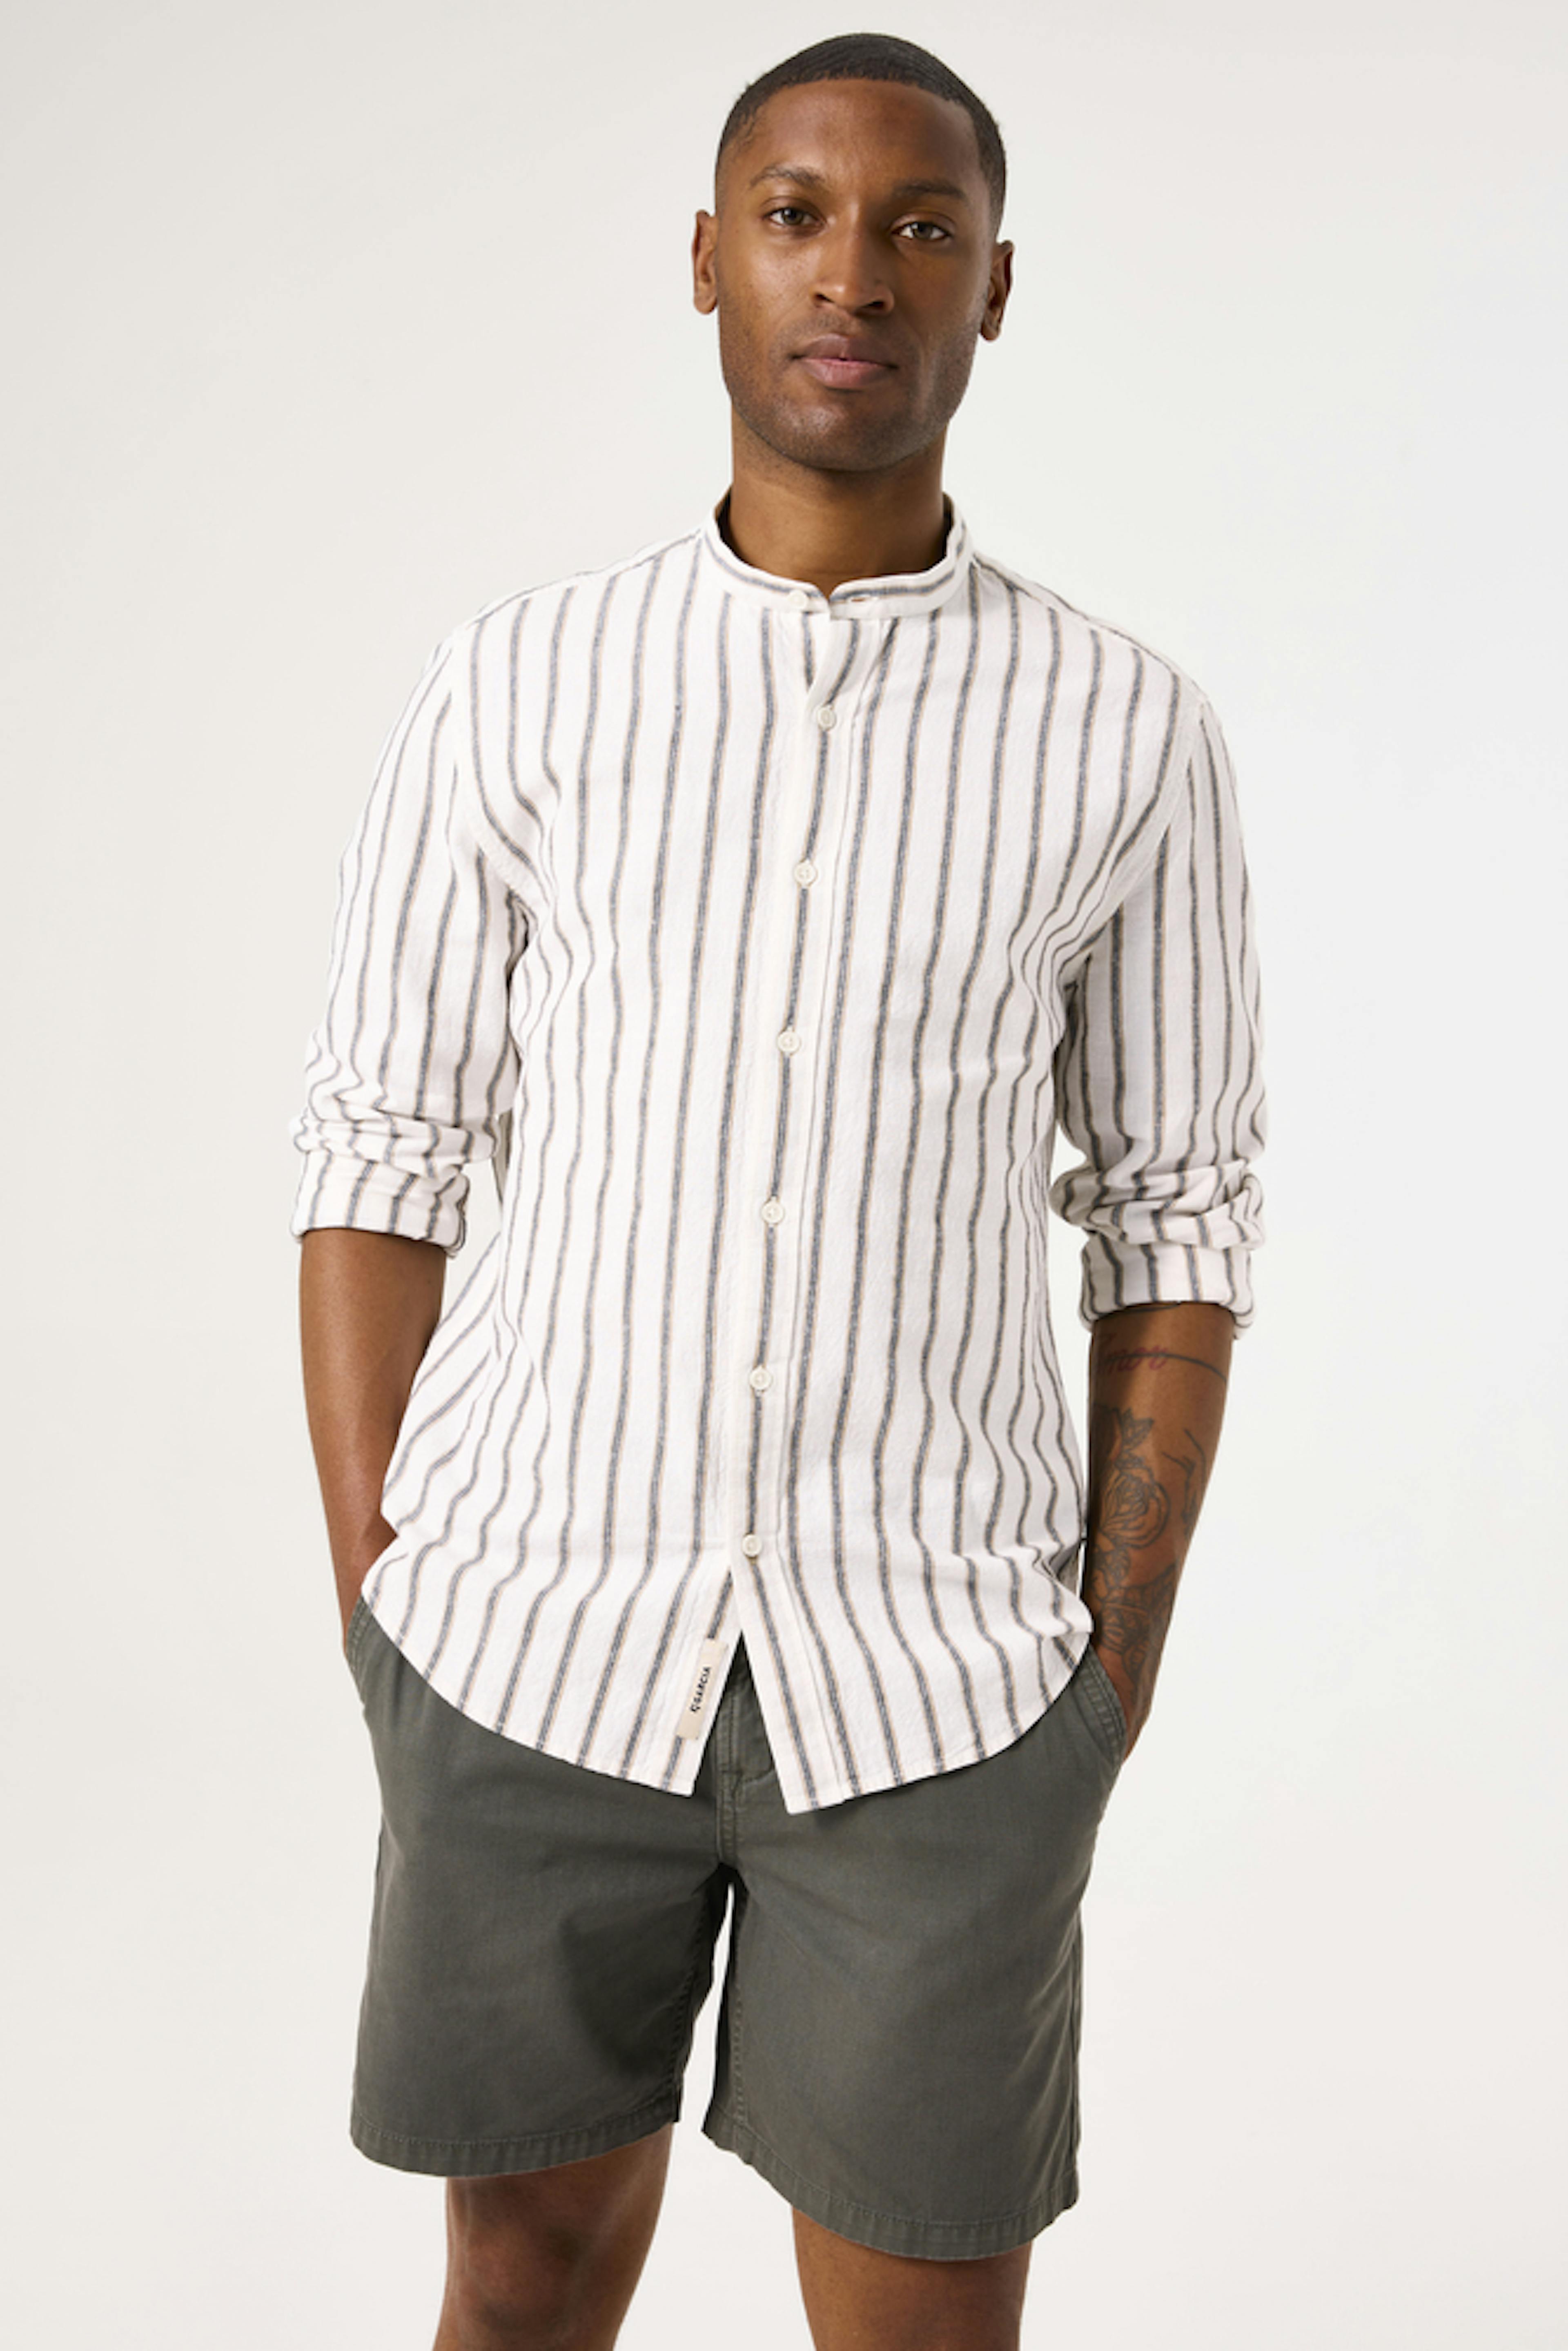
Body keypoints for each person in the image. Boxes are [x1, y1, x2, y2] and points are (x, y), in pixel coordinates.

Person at [294, 31, 1264, 2351]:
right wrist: (384, 1597)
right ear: (710, 260)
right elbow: (376, 1152)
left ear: (995, 286)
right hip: (529, 1646)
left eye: (922, 225)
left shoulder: (1126, 730)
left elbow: (1176, 1214)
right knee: (519, 2282)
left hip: (939, 1694)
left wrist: (1105, 1677)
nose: (857, 273)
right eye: (799, 214)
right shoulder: (519, 687)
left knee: (925, 2318)